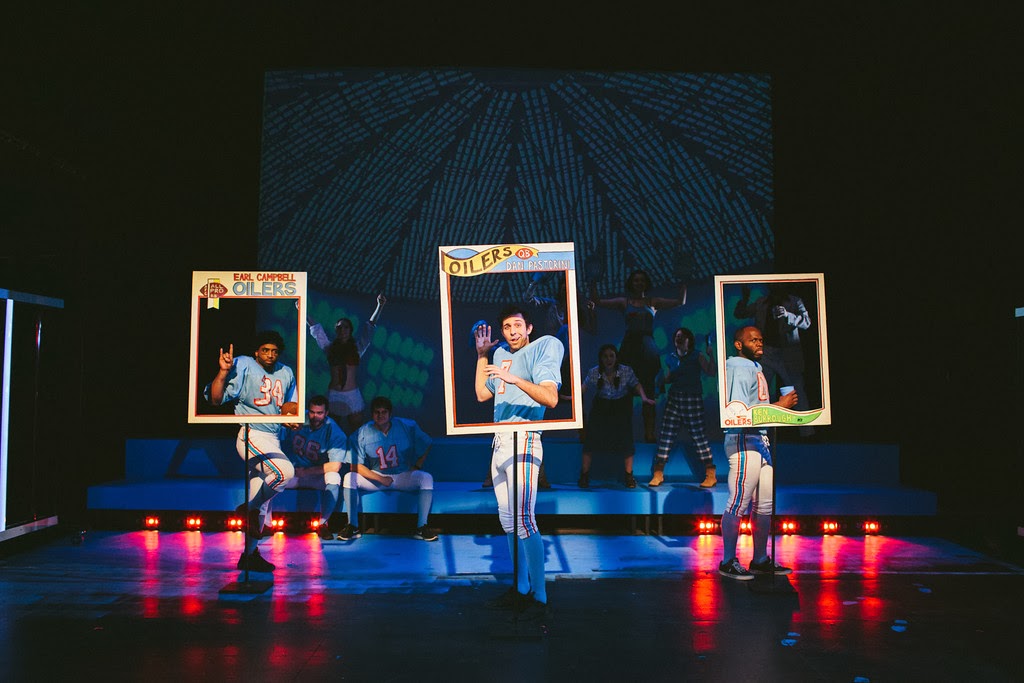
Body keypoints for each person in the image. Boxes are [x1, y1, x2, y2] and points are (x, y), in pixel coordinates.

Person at [475, 305, 563, 620]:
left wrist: (513, 379)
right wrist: (482, 355)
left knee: (524, 519)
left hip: (524, 439)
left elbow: (550, 398)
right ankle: (521, 588)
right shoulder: (499, 354)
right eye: (506, 327)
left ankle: (539, 596)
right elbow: (482, 395)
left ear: (528, 328)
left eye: (517, 325)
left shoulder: (545, 346)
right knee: (509, 520)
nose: (512, 331)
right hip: (500, 441)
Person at [206, 330, 297, 572]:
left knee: (262, 504)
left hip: (274, 439)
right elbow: (215, 399)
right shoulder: (245, 364)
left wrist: (291, 418)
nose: (270, 355)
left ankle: (249, 555)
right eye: (265, 350)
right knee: (284, 473)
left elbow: (289, 406)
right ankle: (247, 508)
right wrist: (223, 372)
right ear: (256, 351)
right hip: (252, 435)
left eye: (274, 351)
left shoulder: (286, 372)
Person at [718, 326, 798, 580]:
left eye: (761, 339)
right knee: (738, 502)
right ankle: (728, 560)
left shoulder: (754, 366)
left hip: (759, 438)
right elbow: (739, 413)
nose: (759, 343)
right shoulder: (737, 366)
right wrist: (779, 406)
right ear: (739, 345)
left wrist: (780, 410)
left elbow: (756, 408)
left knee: (764, 504)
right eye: (753, 340)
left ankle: (760, 559)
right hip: (744, 438)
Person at [589, 269, 686, 442]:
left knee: (649, 392)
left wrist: (684, 282)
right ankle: (622, 434)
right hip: (629, 349)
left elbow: (680, 302)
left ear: (646, 283)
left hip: (648, 350)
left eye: (642, 280)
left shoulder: (653, 302)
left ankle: (649, 433)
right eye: (636, 280)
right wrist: (593, 281)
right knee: (623, 392)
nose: (639, 283)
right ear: (631, 283)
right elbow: (597, 301)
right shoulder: (624, 302)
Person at [338, 396, 438, 542]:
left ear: (390, 414)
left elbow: (427, 442)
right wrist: (380, 478)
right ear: (372, 414)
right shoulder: (362, 432)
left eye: (384, 412)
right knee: (349, 477)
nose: (380, 415)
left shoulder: (406, 426)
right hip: (377, 476)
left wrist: (417, 466)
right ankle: (352, 526)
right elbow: (354, 466)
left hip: (402, 474)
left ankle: (422, 527)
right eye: (377, 412)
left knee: (426, 478)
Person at [733, 283, 813, 436]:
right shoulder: (762, 302)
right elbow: (740, 314)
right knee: (760, 392)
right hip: (766, 353)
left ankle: (807, 432)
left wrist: (788, 315)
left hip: (787, 352)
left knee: (797, 391)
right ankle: (759, 430)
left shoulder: (795, 301)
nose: (773, 286)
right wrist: (745, 298)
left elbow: (807, 322)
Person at [307, 293, 386, 433]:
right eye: (339, 327)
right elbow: (317, 331)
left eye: (345, 327)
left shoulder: (357, 349)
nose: (342, 330)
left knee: (356, 432)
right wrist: (303, 312)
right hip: (334, 394)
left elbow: (370, 328)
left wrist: (379, 306)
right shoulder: (330, 348)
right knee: (332, 431)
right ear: (336, 330)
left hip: (352, 395)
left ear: (350, 330)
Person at [578, 344, 654, 489]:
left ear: (616, 357)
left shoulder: (626, 370)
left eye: (611, 356)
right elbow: (584, 387)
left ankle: (629, 476)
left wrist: (644, 397)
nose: (608, 359)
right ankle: (584, 475)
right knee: (590, 441)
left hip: (620, 406)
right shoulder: (594, 372)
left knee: (626, 441)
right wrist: (573, 398)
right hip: (601, 406)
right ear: (601, 358)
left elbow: (636, 384)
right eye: (605, 356)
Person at [649, 328, 717, 488]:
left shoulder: (697, 355)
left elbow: (711, 372)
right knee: (666, 435)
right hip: (675, 398)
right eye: (677, 336)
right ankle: (658, 473)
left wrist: (711, 355)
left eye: (682, 336)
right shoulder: (671, 358)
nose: (678, 339)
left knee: (699, 436)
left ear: (689, 340)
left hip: (692, 398)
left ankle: (710, 474)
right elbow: (669, 378)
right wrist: (659, 380)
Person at [275, 394, 350, 540]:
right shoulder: (298, 419)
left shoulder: (334, 431)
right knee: (269, 475)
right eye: (312, 412)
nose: (315, 416)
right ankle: (264, 523)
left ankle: (323, 523)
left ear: (326, 413)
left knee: (334, 477)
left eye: (319, 413)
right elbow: (279, 432)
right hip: (293, 471)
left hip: (315, 475)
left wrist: (307, 472)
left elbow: (335, 466)